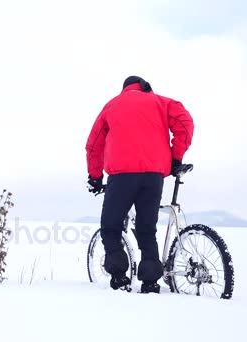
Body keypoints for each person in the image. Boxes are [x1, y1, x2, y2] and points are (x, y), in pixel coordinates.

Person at [85, 76, 194, 294]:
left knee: (111, 225)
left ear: (125, 89)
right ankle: (151, 282)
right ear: (146, 88)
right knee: (146, 229)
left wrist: (95, 177)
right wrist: (176, 158)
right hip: (154, 175)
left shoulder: (112, 105)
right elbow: (185, 122)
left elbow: (94, 144)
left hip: (122, 175)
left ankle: (119, 278)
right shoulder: (162, 103)